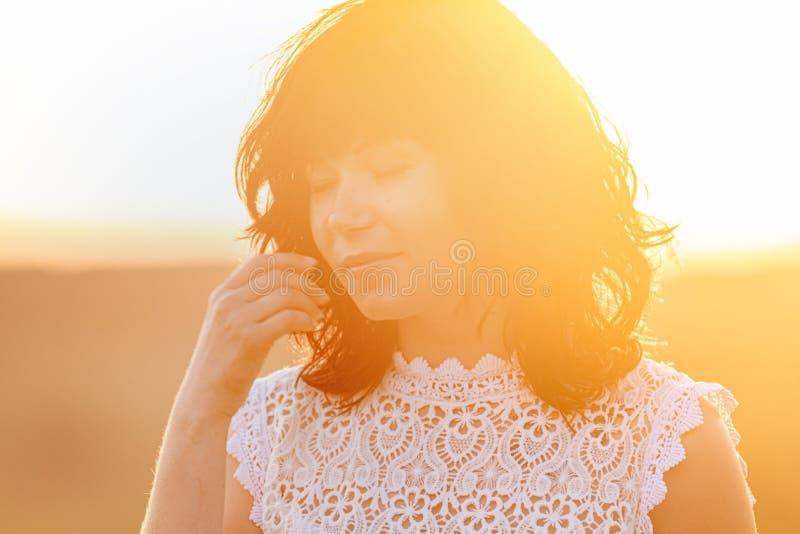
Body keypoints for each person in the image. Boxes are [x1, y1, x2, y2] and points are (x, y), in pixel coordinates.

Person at [140, 1, 757, 532]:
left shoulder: (666, 440)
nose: (341, 216)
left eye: (388, 169)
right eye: (322, 182)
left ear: (502, 175)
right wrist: (205, 402)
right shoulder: (271, 435)